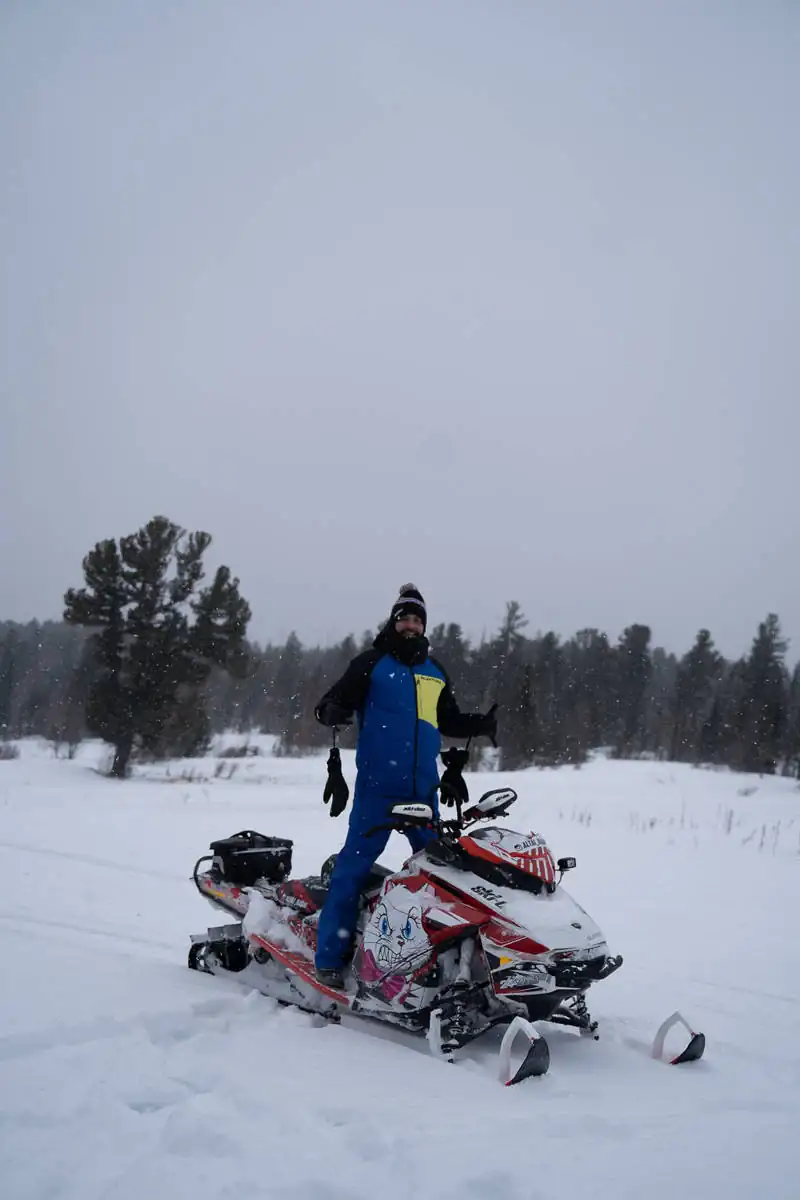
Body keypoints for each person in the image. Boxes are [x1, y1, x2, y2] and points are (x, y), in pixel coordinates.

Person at [313, 584, 498, 987]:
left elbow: (446, 721)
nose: (410, 625)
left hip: (422, 792)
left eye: (417, 619)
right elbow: (328, 704)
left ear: (423, 625)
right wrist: (332, 711)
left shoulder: (435, 672)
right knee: (351, 871)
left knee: (443, 876)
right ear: (394, 621)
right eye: (405, 618)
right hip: (378, 790)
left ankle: (446, 961)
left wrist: (477, 725)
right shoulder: (370, 664)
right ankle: (328, 958)